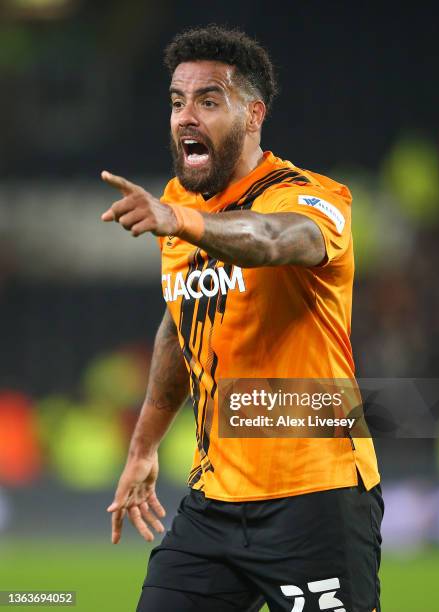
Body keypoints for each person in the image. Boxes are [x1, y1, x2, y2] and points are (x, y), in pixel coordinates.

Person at [101, 25, 383, 612]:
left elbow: (276, 239)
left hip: (315, 497)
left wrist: (182, 222)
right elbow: (183, 324)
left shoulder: (309, 195)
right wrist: (144, 446)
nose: (186, 116)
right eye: (178, 101)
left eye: (209, 100)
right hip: (213, 506)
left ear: (253, 114)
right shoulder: (180, 203)